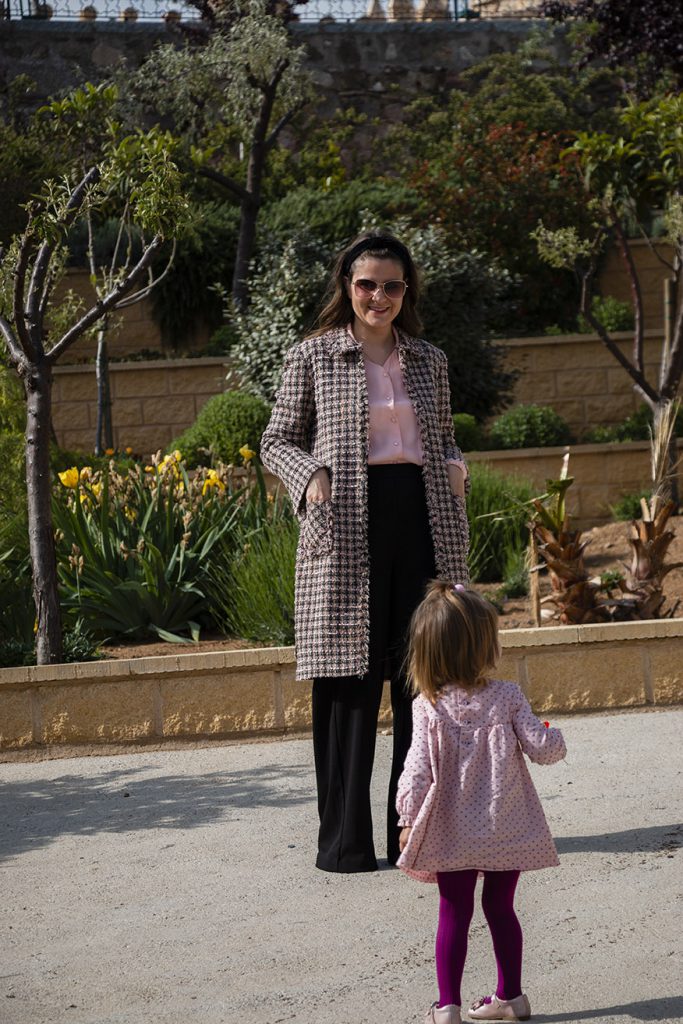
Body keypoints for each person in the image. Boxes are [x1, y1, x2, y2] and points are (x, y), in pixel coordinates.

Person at [260, 231, 469, 873]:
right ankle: (346, 845)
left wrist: (457, 466)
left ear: (408, 292)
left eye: (392, 286)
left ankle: (418, 837)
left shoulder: (430, 360)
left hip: (424, 517)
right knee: (349, 683)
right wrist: (309, 475)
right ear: (346, 287)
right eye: (366, 284)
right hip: (347, 519)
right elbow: (275, 440)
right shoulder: (314, 357)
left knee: (424, 680)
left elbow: (445, 438)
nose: (379, 296)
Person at [396, 582, 567, 1024]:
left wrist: (407, 818)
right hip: (504, 824)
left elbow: (415, 770)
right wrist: (553, 732)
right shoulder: (508, 695)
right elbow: (544, 748)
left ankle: (447, 1006)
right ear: (484, 645)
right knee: (501, 907)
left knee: (454, 909)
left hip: (453, 831)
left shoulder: (428, 706)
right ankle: (510, 995)